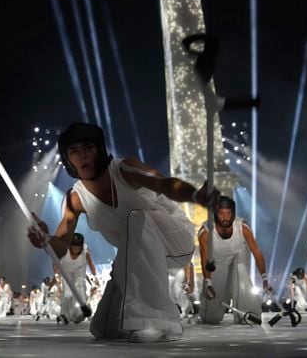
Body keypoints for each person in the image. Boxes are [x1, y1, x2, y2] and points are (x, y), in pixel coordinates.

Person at [28, 122, 217, 342]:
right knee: (105, 328)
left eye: (88, 147)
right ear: (68, 159)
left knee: (136, 217)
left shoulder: (124, 170)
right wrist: (46, 240)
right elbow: (60, 246)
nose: (82, 156)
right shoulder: (75, 198)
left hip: (175, 241)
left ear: (99, 148)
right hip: (135, 252)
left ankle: (157, 322)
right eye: (74, 151)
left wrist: (195, 195)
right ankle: (139, 319)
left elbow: (164, 184)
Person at [198, 196, 272, 324]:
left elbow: (257, 253)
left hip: (238, 257)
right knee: (211, 318)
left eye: (228, 213)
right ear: (215, 214)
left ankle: (247, 314)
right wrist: (208, 282)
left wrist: (264, 278)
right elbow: (205, 260)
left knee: (241, 272)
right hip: (216, 264)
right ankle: (210, 312)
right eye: (221, 214)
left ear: (233, 213)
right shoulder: (205, 232)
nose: (225, 217)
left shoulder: (243, 227)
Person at [55, 232, 97, 324]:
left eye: (78, 245)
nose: (75, 247)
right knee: (68, 293)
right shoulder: (64, 252)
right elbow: (55, 262)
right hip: (66, 271)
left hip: (79, 269)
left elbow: (91, 264)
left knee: (80, 287)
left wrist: (95, 277)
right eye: (73, 244)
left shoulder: (86, 253)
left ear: (81, 245)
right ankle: (65, 315)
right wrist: (56, 275)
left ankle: (80, 312)